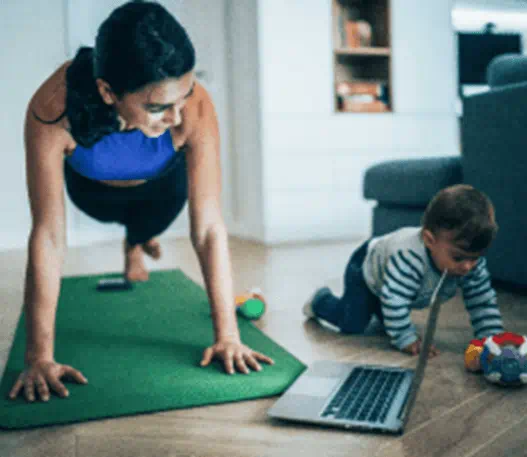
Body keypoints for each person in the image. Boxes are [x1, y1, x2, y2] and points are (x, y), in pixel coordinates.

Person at [9, 0, 273, 403]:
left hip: (159, 191)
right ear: (107, 91)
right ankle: (135, 240)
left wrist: (228, 336)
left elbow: (207, 227)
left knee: (150, 221)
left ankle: (137, 242)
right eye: (157, 107)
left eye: (182, 97)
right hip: (92, 191)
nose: (176, 116)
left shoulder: (195, 107)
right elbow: (47, 235)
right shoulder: (52, 107)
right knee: (109, 215)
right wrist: (38, 356)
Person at [303, 184, 505, 357]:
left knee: (387, 318)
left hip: (391, 281)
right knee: (352, 323)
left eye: (475, 258)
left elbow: (482, 301)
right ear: (429, 240)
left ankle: (376, 309)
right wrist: (405, 339)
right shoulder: (409, 258)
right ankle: (321, 300)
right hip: (365, 268)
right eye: (458, 257)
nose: (468, 266)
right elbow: (395, 299)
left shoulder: (470, 263)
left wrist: (492, 339)